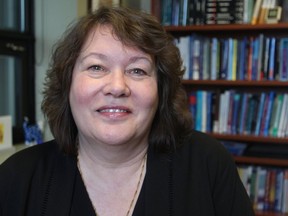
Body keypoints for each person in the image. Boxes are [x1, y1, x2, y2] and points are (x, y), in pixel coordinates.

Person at [0, 6, 255, 216]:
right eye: (97, 67)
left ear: (160, 91)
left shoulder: (209, 165)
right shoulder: (16, 178)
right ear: (67, 85)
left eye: (137, 70)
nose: (118, 87)